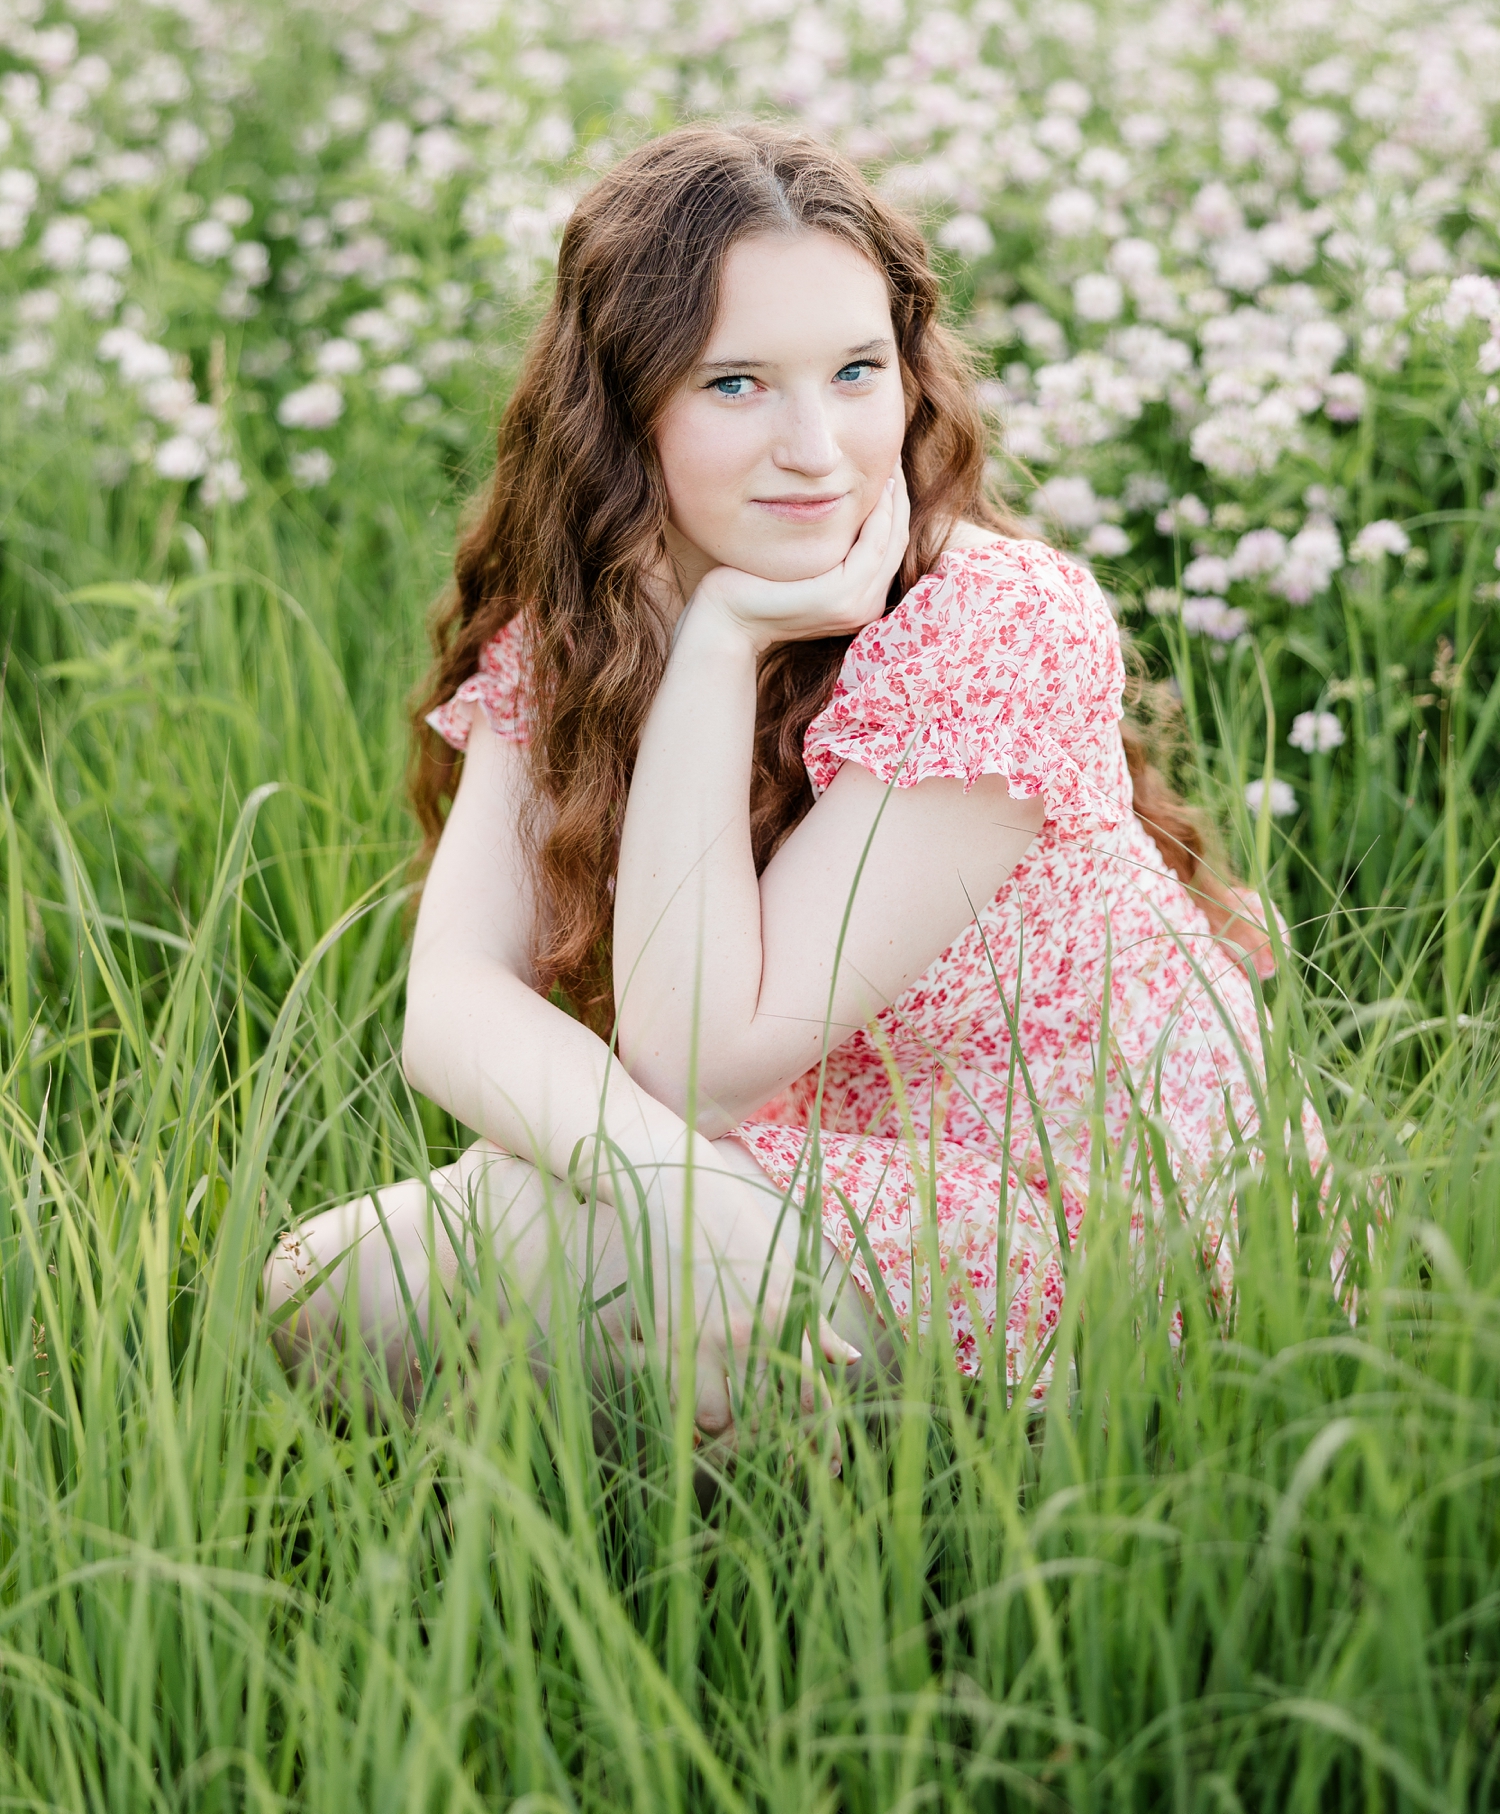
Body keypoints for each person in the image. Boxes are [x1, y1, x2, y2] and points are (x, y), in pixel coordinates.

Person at [264, 121, 1279, 1449]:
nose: (817, 446)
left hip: (1091, 1230)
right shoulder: (576, 621)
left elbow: (701, 1062)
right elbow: (453, 1000)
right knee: (355, 1279)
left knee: (420, 1274)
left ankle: (896, 1535)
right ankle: (712, 1519)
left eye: (857, 372)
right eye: (736, 383)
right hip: (792, 1171)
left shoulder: (997, 622)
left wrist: (726, 642)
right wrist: (670, 1186)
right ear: (624, 403)